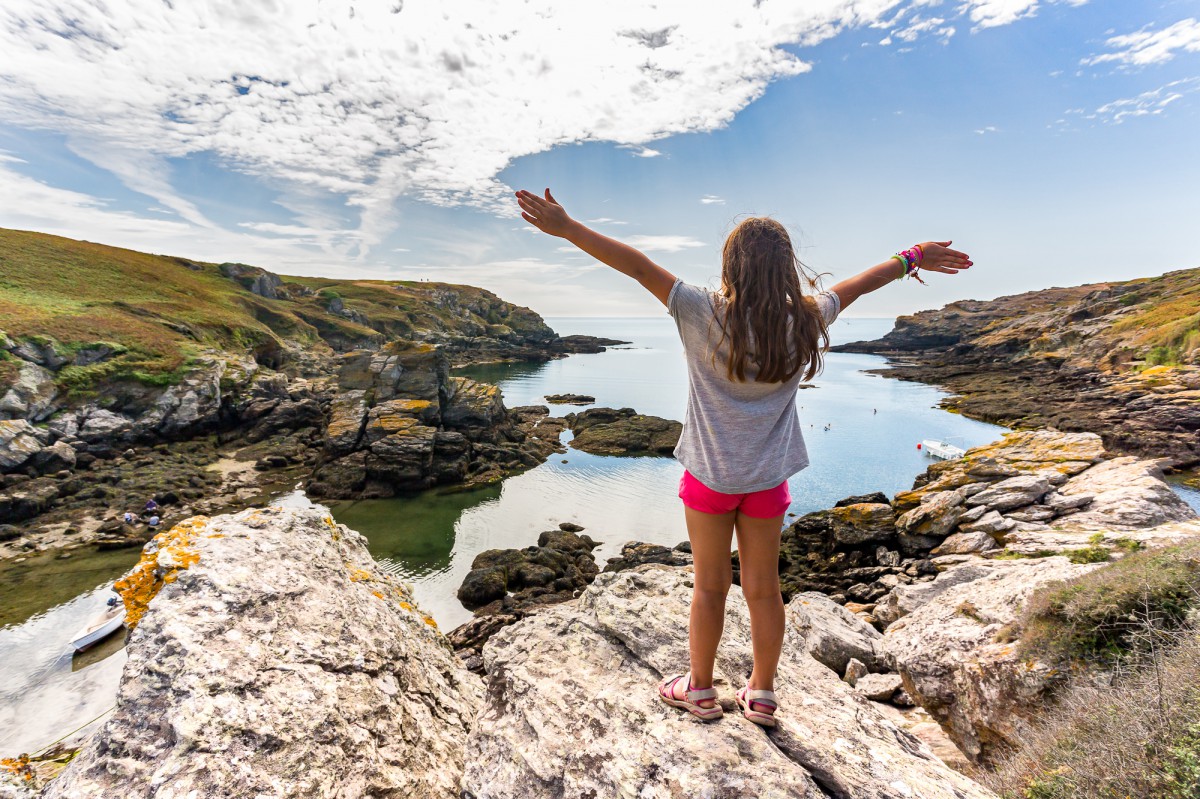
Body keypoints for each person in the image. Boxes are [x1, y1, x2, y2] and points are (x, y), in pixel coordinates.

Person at [514, 188, 971, 726]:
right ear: (786, 269)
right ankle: (762, 694)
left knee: (709, 586)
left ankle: (700, 690)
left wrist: (568, 228)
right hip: (767, 484)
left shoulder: (698, 308)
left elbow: (636, 266)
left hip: (709, 479)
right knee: (764, 589)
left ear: (730, 264)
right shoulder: (806, 318)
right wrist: (913, 256)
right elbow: (862, 284)